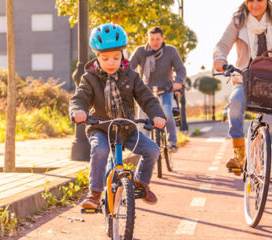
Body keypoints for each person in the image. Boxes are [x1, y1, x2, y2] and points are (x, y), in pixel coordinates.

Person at [213, 0, 272, 187]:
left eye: (260, 0)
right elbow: (223, 44)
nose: (255, 5)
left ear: (267, 1)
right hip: (245, 78)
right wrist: (220, 58)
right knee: (234, 103)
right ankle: (239, 155)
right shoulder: (238, 21)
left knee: (271, 121)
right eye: (251, 0)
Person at [70, 23, 167, 208]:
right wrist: (77, 111)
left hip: (127, 129)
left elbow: (147, 98)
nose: (111, 63)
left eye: (116, 57)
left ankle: (140, 183)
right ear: (96, 57)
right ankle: (95, 194)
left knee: (153, 150)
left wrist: (158, 115)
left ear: (122, 54)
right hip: (101, 129)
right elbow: (79, 98)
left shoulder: (131, 76)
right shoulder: (89, 78)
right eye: (105, 58)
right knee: (100, 151)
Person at [130, 26, 187, 153]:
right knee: (143, 121)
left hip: (165, 90)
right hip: (145, 92)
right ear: (148, 39)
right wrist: (130, 83)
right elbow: (129, 68)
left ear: (162, 39)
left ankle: (172, 142)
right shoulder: (140, 51)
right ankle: (144, 148)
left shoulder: (170, 51)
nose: (155, 42)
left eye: (157, 39)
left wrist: (178, 82)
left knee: (167, 113)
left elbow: (181, 70)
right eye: (152, 39)